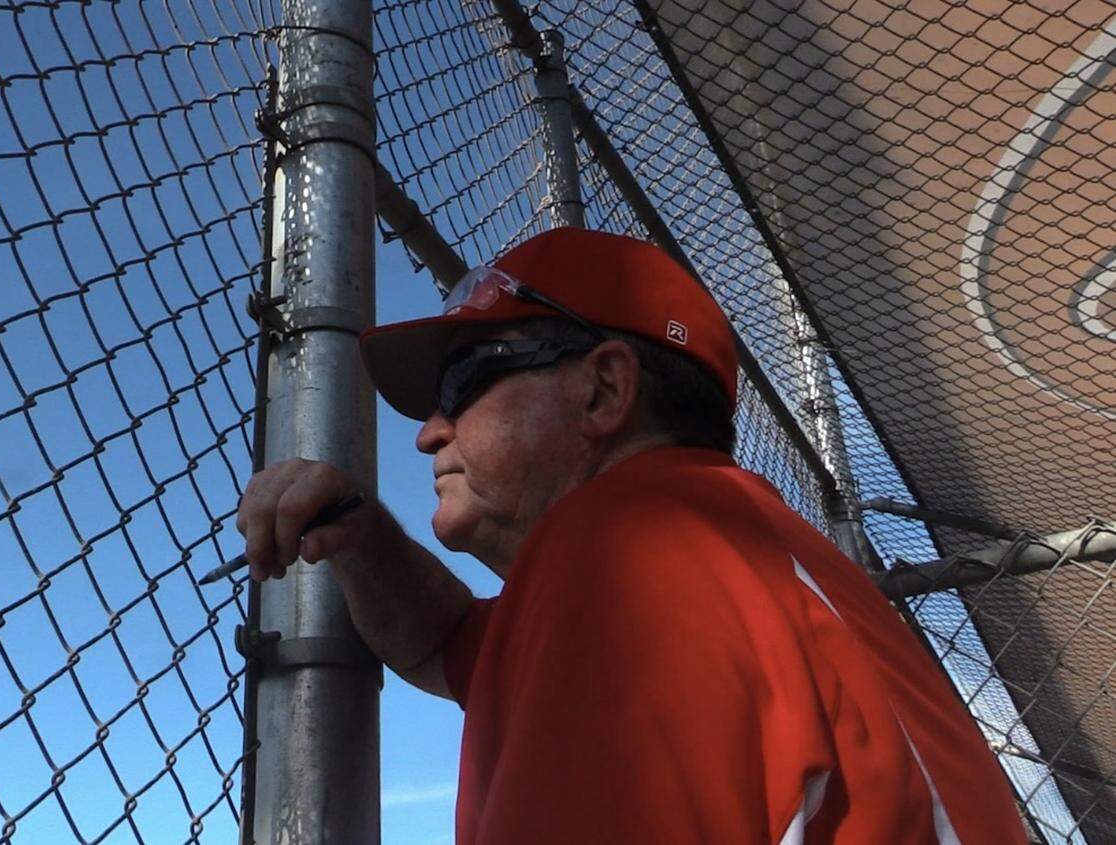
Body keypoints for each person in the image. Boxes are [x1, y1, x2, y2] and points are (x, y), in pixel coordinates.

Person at [236, 228, 1026, 843]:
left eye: (462, 381)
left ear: (605, 390)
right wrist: (365, 539)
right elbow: (444, 643)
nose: (428, 433)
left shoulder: (635, 550)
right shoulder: (717, 544)